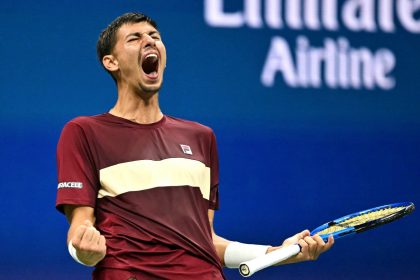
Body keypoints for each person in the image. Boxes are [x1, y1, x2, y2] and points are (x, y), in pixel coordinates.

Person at [55, 12, 334, 280]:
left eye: (155, 36)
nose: (150, 41)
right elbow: (81, 228)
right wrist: (85, 252)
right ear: (111, 62)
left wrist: (277, 253)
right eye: (135, 38)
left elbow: (206, 240)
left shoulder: (201, 137)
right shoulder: (84, 132)